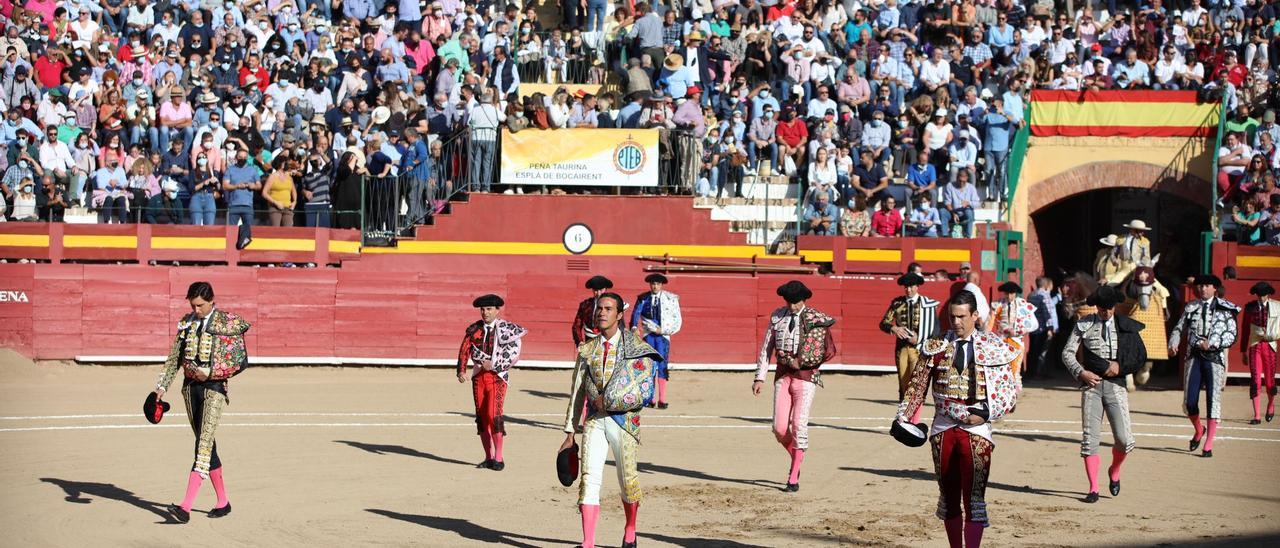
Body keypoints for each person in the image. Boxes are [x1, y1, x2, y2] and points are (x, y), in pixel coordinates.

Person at [894, 291, 1019, 548]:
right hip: (943, 427)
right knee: (949, 498)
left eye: (962, 316)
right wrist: (903, 418)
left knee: (974, 498)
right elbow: (917, 387)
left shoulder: (993, 346)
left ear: (975, 316)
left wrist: (985, 413)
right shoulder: (935, 345)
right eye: (953, 316)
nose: (956, 322)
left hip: (977, 429)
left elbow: (1008, 396)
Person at [559, 292, 661, 548]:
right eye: (599, 309)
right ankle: (588, 542)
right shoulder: (588, 349)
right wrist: (570, 432)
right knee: (589, 478)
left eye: (607, 308)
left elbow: (646, 391)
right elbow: (577, 391)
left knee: (627, 479)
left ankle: (630, 529)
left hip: (624, 422)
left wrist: (613, 402)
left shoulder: (637, 348)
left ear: (619, 314)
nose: (602, 313)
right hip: (594, 420)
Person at [151, 282, 250, 524]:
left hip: (214, 389)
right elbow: (175, 358)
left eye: (201, 305)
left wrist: (213, 372)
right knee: (205, 443)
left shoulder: (227, 323)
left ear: (211, 301)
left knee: (203, 445)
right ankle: (223, 502)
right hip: (190, 390)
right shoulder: (187, 323)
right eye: (193, 305)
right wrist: (161, 387)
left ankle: (185, 507)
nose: (197, 310)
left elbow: (240, 361)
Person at [1061, 285, 1144, 503]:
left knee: (1125, 440)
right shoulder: (1084, 324)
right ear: (1096, 306)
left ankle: (1114, 471)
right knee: (1090, 439)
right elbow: (1067, 353)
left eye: (1109, 307)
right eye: (1101, 307)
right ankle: (1093, 488)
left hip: (1116, 386)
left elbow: (1138, 355)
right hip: (1091, 387)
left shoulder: (1124, 325)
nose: (1105, 311)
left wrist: (1121, 367)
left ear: (1114, 306)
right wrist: (1082, 372)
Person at [753, 280, 837, 492]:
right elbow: (766, 348)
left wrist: (807, 361)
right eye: (788, 301)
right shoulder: (777, 316)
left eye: (796, 302)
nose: (791, 306)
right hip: (783, 374)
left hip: (806, 376)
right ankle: (796, 456)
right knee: (779, 428)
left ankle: (793, 476)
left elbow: (826, 350)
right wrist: (759, 377)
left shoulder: (816, 319)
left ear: (804, 299)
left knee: (799, 424)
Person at [1168, 274, 1240, 458]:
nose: (1202, 289)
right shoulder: (1191, 307)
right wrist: (1173, 342)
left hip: (1214, 358)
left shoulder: (1226, 308)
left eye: (1207, 286)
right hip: (1194, 357)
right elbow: (1179, 327)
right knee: (1190, 401)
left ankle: (1208, 445)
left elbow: (1231, 334)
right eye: (1200, 286)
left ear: (1215, 288)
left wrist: (1213, 343)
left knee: (1212, 400)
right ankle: (1199, 429)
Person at [456, 294, 528, 471]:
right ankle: (488, 457)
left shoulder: (507, 329)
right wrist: (461, 370)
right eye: (483, 309)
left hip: (497, 377)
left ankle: (499, 457)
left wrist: (494, 364)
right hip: (478, 376)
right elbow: (465, 349)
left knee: (493, 414)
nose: (485, 312)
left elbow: (513, 354)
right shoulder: (474, 329)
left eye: (489, 309)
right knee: (481, 417)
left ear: (497, 310)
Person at [880, 272, 940, 421]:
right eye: (906, 287)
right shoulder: (897, 303)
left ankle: (913, 417)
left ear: (917, 286)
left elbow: (935, 328)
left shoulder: (927, 304)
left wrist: (920, 338)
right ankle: (903, 415)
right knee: (903, 381)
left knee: (916, 381)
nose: (909, 290)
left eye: (911, 286)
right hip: (902, 348)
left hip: (919, 348)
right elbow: (884, 323)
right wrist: (894, 328)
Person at [631, 274, 682, 410]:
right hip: (648, 335)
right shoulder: (643, 298)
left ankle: (662, 399)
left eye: (658, 284)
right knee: (649, 365)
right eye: (653, 284)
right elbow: (636, 313)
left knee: (662, 364)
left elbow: (677, 319)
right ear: (650, 284)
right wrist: (634, 327)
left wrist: (664, 329)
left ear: (661, 285)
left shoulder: (670, 299)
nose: (655, 286)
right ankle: (651, 398)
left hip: (662, 336)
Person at [987, 282, 1040, 383]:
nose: (1010, 296)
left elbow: (1034, 324)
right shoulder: (998, 305)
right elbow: (990, 323)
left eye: (1012, 293)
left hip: (1017, 340)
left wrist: (1020, 330)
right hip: (1001, 341)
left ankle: (1014, 393)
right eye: (1007, 293)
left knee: (1015, 369)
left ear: (1016, 293)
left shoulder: (1023, 305)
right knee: (1001, 369)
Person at [1242, 282, 1278, 424]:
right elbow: (1245, 329)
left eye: (1263, 295)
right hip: (1255, 345)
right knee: (1255, 380)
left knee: (1270, 381)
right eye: (1259, 295)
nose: (1261, 297)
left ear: (1268, 294)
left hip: (1270, 346)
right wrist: (1243, 350)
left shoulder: (1276, 307)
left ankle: (1270, 405)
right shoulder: (1250, 308)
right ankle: (1257, 415)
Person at [573, 275, 624, 346]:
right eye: (596, 290)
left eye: (601, 290)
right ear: (592, 290)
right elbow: (577, 325)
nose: (599, 293)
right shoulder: (585, 305)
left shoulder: (613, 303)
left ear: (606, 289)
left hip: (609, 340)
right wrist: (579, 341)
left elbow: (620, 324)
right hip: (589, 340)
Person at [1026, 277, 1060, 380]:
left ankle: (1030, 372)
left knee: (1033, 351)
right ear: (1046, 286)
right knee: (1041, 352)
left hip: (1033, 328)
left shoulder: (1031, 295)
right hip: (1042, 329)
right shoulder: (1044, 296)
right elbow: (1047, 313)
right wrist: (1050, 328)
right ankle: (1038, 373)